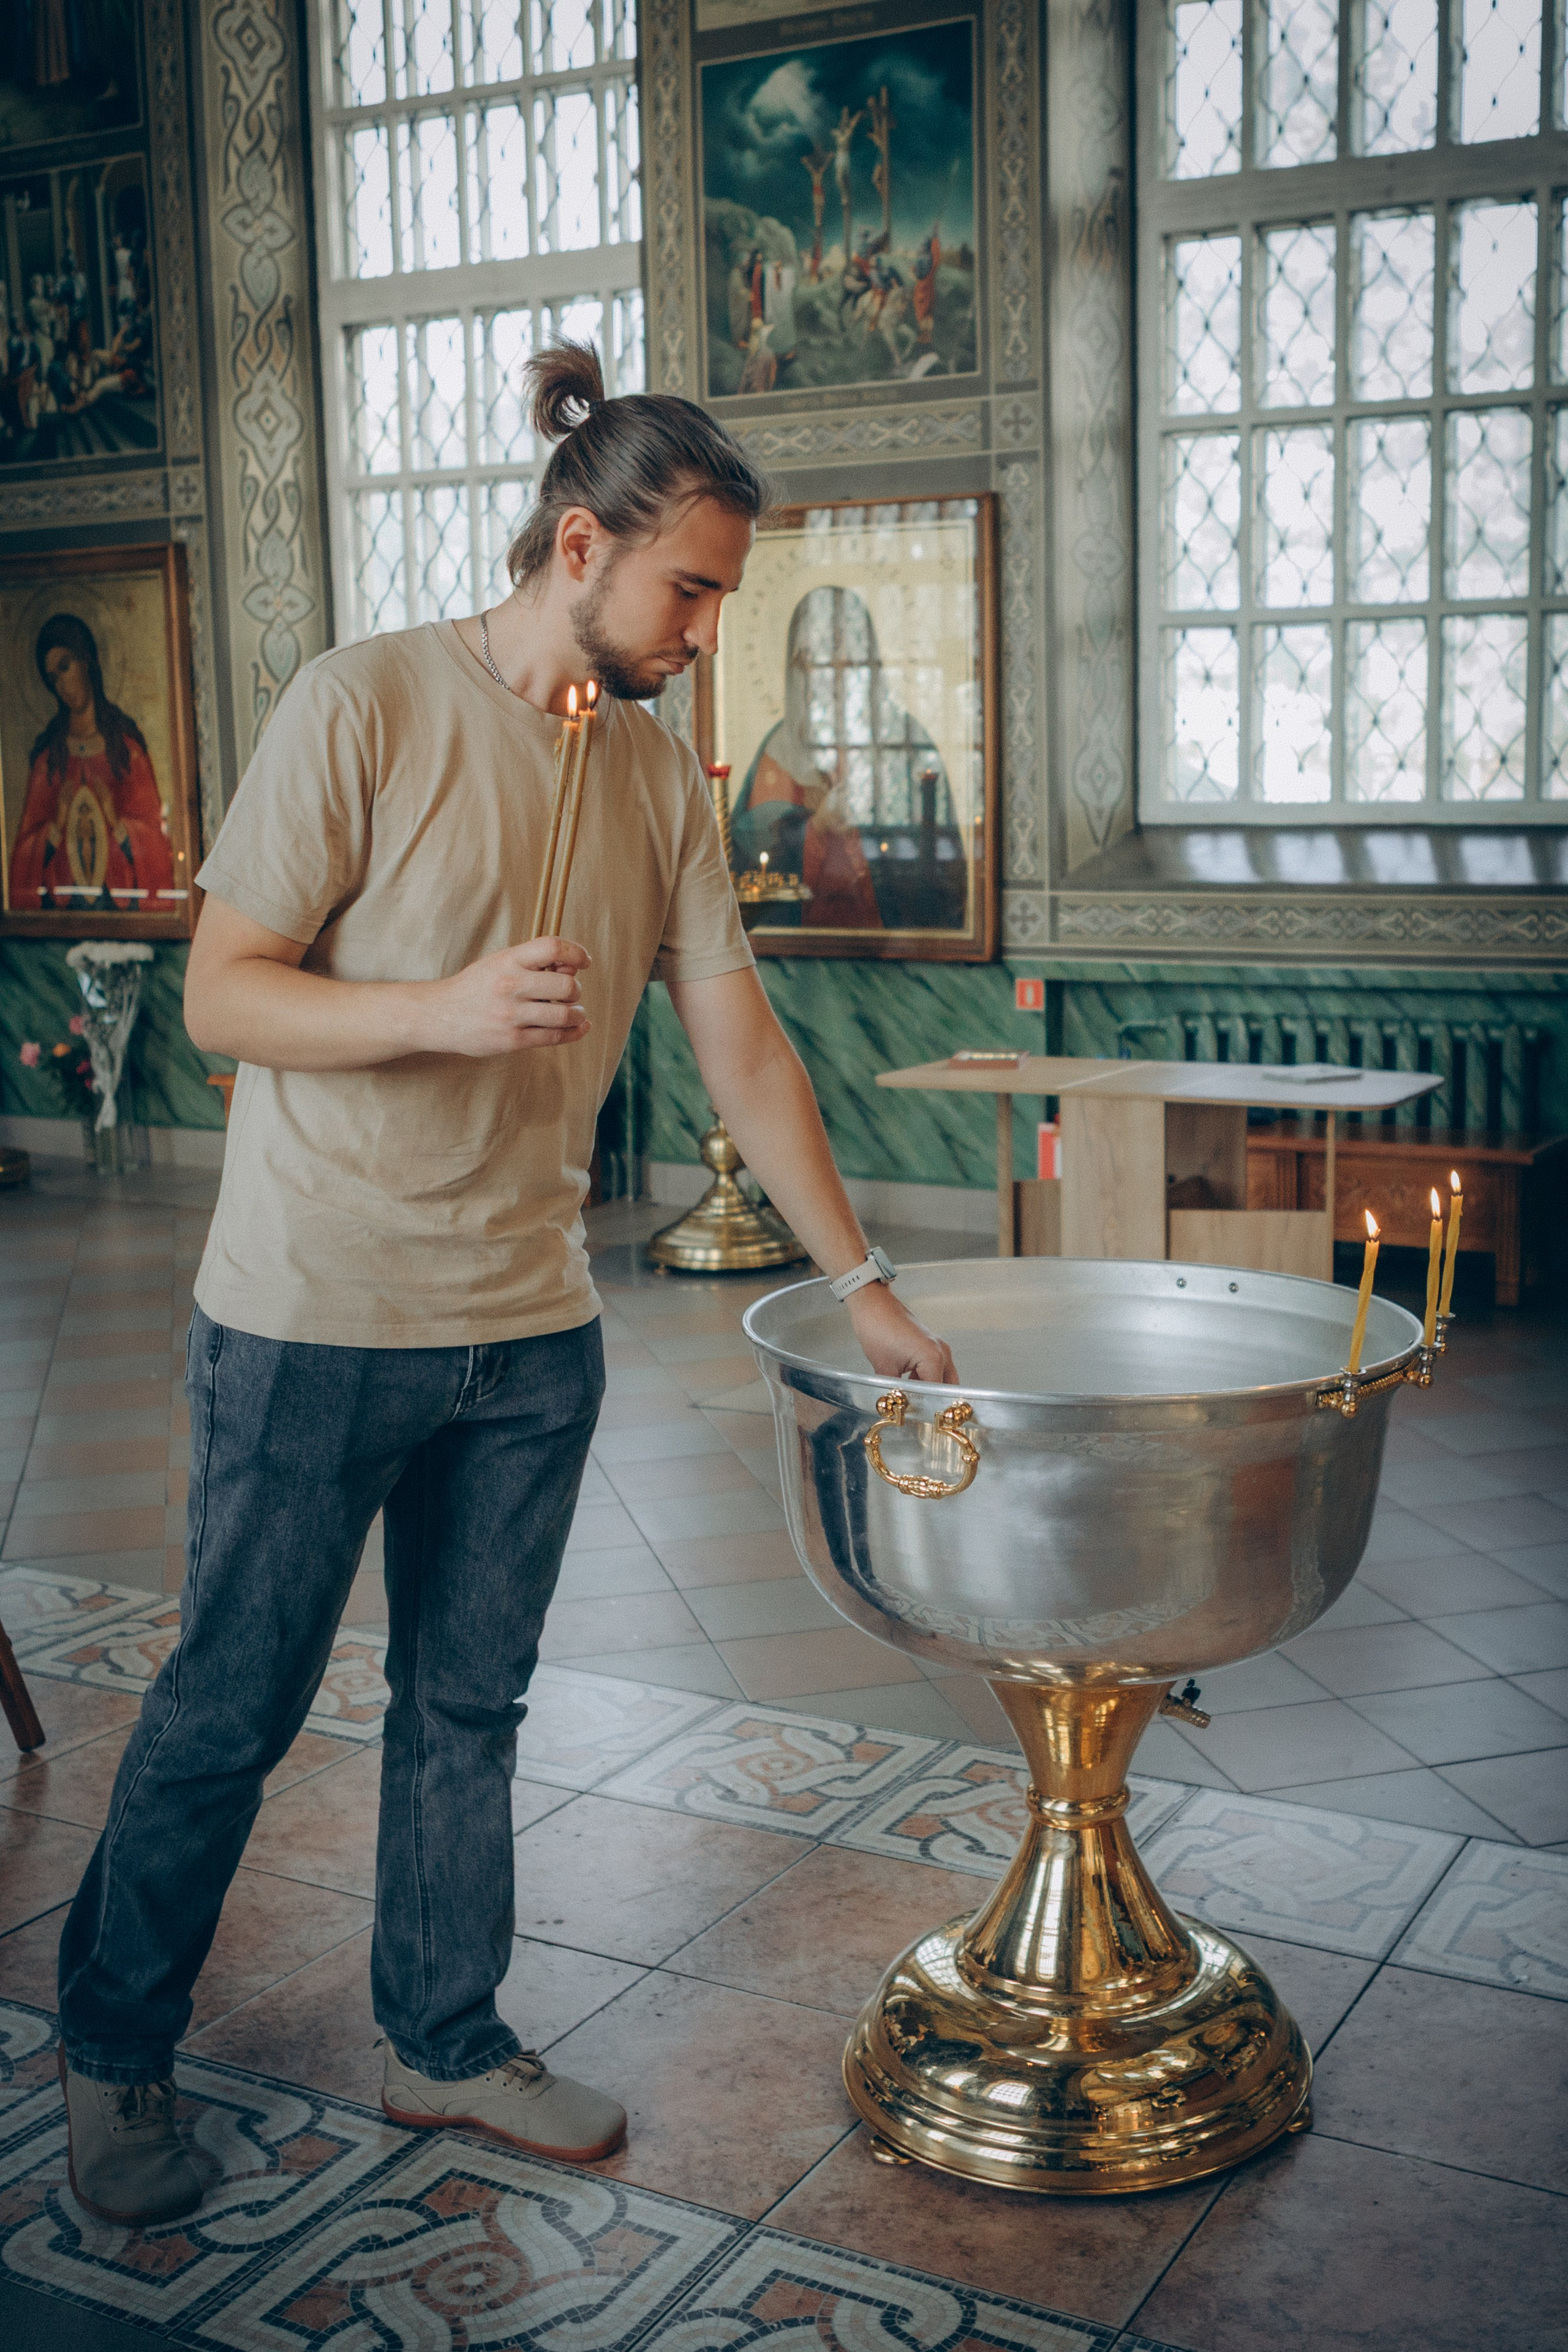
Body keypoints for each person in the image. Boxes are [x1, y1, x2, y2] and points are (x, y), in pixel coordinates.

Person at [54, 339, 956, 2228]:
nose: (709, 629)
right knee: (234, 1695)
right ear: (577, 543)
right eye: (690, 585)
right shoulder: (362, 701)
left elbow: (746, 1046)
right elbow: (225, 993)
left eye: (724, 592)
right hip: (312, 1316)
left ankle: (444, 2039)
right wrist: (436, 1010)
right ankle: (113, 2049)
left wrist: (859, 1272)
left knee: (470, 1702)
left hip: (530, 1330)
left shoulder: (647, 775)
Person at [9, 614, 175, 913]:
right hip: (62, 915)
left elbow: (160, 851)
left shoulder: (128, 752)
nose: (61, 684)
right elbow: (21, 864)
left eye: (65, 667)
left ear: (87, 660)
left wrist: (116, 821)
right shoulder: (49, 760)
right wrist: (55, 828)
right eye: (53, 678)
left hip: (123, 910)